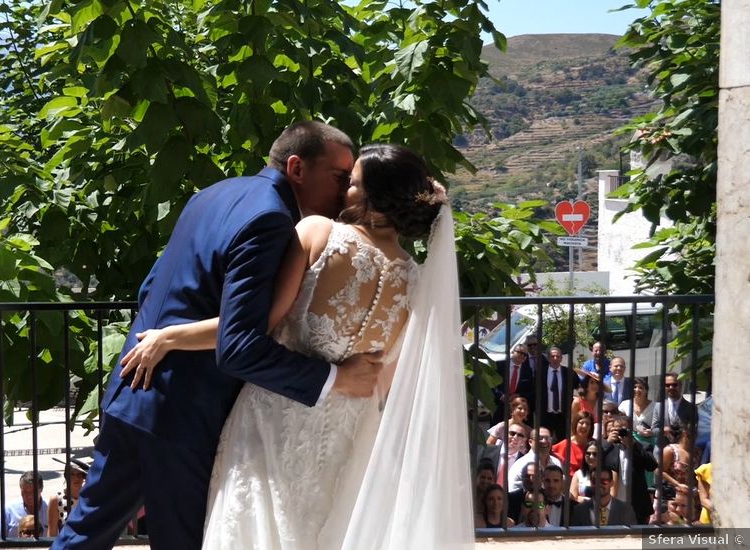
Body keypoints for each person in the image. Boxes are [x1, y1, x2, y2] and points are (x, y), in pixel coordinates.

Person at [111, 144, 465, 550]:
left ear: (373, 197)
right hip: (348, 438)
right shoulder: (418, 282)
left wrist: (170, 336)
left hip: (274, 422)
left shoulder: (318, 233)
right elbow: (387, 382)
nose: (342, 192)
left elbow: (253, 326)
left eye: (351, 183)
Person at [54, 121, 386, 550]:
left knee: (83, 534)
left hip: (132, 393)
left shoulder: (213, 193)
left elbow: (151, 288)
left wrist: (164, 339)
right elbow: (241, 347)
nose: (344, 193)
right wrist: (334, 378)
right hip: (183, 416)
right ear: (297, 167)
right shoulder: (271, 220)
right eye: (340, 177)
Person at [602, 413, 657, 524]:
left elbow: (652, 465)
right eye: (617, 430)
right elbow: (595, 463)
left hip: (637, 504)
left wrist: (633, 445)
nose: (621, 433)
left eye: (624, 430)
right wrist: (608, 443)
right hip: (613, 503)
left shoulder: (642, 446)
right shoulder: (608, 448)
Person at [570, 468, 637, 526]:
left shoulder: (625, 510)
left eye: (604, 481)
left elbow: (633, 537)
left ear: (611, 483)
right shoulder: (579, 510)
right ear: (590, 483)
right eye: (595, 481)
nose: (599, 484)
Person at [508, 426, 563, 493]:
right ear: (530, 442)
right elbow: (513, 493)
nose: (544, 441)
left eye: (548, 438)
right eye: (540, 438)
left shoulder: (556, 462)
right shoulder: (521, 464)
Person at [0, 470, 47, 538]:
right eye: (25, 492)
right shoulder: (9, 510)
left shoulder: (51, 509)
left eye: (33, 492)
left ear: (41, 489)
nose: (29, 496)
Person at [651, 373, 696, 450]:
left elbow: (695, 431)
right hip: (662, 449)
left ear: (680, 386)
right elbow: (653, 429)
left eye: (674, 385)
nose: (671, 387)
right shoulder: (658, 407)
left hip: (683, 449)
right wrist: (663, 430)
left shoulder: (691, 408)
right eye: (667, 385)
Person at [539, 346, 575, 441]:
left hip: (563, 416)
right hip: (546, 415)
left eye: (558, 356)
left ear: (561, 358)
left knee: (564, 442)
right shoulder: (540, 372)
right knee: (544, 441)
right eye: (552, 356)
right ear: (548, 358)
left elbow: (579, 387)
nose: (555, 358)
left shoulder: (568, 373)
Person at [493, 344, 535, 424]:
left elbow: (531, 390)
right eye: (520, 352)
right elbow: (492, 384)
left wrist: (518, 395)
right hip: (499, 406)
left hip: (516, 408)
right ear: (513, 352)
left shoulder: (528, 371)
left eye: (525, 355)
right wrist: (500, 396)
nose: (523, 356)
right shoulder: (500, 365)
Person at [49, 458, 88, 536]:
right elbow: (51, 533)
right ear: (66, 476)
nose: (76, 478)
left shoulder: (89, 498)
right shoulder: (56, 499)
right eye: (72, 474)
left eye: (80, 475)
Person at [551, 411, 593, 477]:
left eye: (588, 424)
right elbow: (550, 452)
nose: (584, 426)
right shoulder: (565, 444)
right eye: (581, 423)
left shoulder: (594, 445)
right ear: (575, 424)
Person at [618, 377, 655, 451]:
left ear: (646, 390)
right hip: (629, 442)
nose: (637, 390)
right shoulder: (624, 405)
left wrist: (651, 432)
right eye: (634, 387)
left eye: (641, 388)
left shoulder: (655, 406)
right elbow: (619, 423)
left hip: (649, 442)